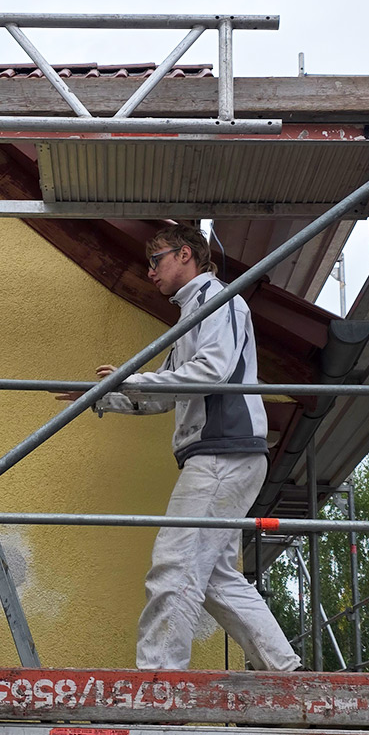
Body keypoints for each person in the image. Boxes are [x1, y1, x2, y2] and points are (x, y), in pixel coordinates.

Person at [57, 224, 301, 672]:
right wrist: (103, 398)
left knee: (176, 563)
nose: (150, 272)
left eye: (156, 260)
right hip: (226, 453)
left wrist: (129, 378)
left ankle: (159, 679)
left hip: (222, 452)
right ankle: (286, 671)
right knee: (217, 579)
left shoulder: (217, 300)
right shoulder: (193, 313)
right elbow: (166, 395)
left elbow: (211, 371)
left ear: (185, 254)